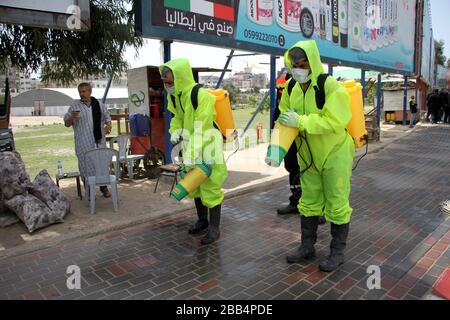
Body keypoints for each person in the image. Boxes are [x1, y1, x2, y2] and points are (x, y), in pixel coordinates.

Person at [277, 40, 355, 272]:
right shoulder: (290, 88)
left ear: (312, 62)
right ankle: (307, 246)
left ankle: (337, 253)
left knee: (337, 202)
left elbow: (335, 121)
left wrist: (300, 121)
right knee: (308, 200)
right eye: (294, 65)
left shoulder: (329, 86)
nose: (298, 68)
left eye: (303, 64)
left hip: (335, 152)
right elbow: (284, 117)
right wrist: (277, 148)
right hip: (307, 153)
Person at [160, 59, 228, 245]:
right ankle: (202, 220)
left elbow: (202, 128)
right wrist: (174, 132)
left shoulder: (201, 95)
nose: (168, 86)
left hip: (208, 146)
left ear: (181, 77)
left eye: (171, 82)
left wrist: (190, 155)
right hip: (190, 145)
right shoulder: (176, 96)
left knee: (211, 186)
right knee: (195, 184)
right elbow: (177, 117)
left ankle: (215, 229)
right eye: (166, 83)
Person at [64, 83, 112, 198]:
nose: (82, 94)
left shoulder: (98, 104)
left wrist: (108, 126)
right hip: (83, 143)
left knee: (101, 165)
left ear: (90, 91)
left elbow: (107, 117)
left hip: (98, 142)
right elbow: (66, 123)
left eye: (84, 91)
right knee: (85, 167)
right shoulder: (75, 106)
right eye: (80, 92)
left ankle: (104, 188)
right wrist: (72, 117)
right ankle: (89, 192)